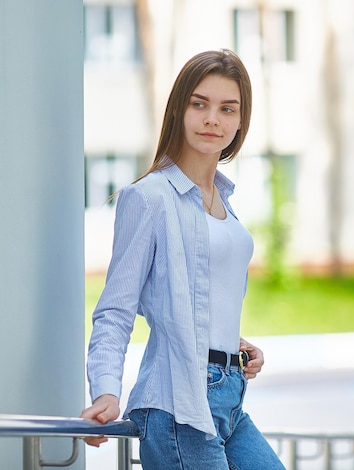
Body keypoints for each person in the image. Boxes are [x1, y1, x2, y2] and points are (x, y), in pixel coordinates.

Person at [80, 49, 286, 470]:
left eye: (227, 108)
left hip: (229, 397)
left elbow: (200, 302)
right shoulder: (150, 198)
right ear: (179, 110)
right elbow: (116, 309)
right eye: (199, 104)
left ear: (240, 121)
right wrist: (105, 391)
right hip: (178, 404)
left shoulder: (226, 205)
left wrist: (235, 347)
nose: (213, 119)